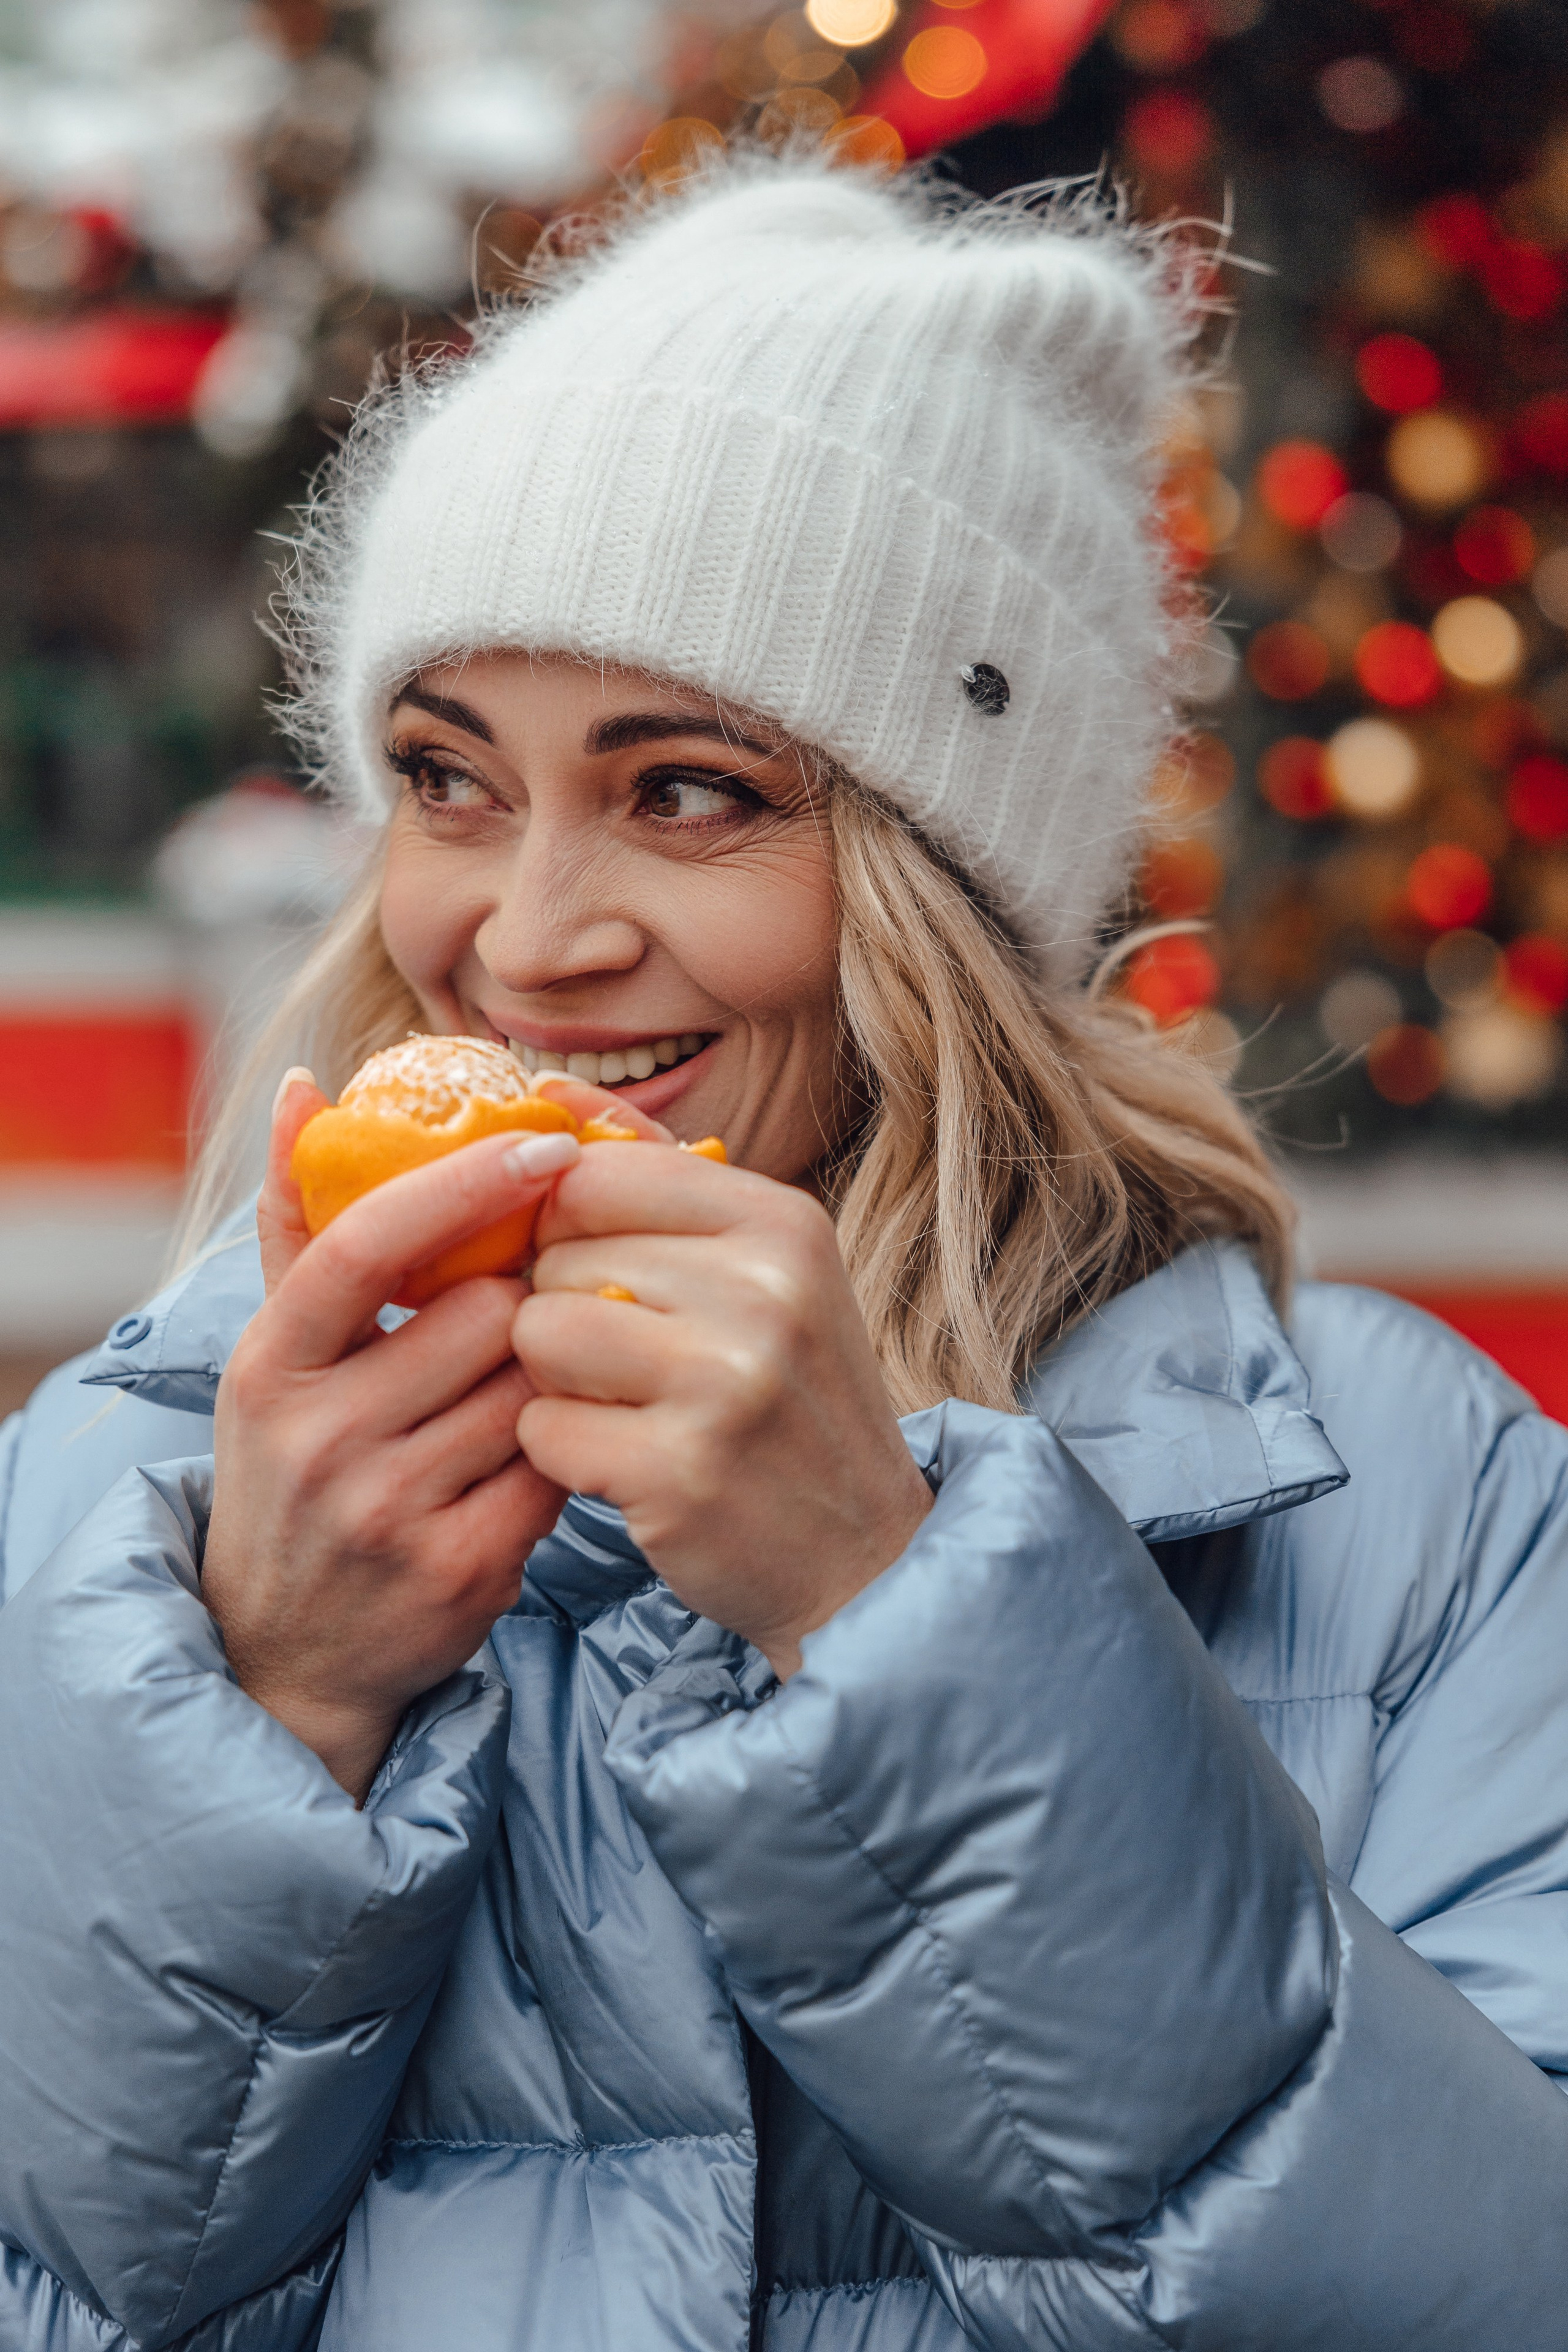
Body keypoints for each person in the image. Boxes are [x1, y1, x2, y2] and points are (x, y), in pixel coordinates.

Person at [3, 155, 1568, 2352]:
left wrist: (905, 1614)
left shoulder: (1413, 1503)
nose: (526, 944)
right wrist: (272, 1710)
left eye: (690, 793)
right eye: (451, 781)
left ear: (953, 886)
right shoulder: (123, 1487)